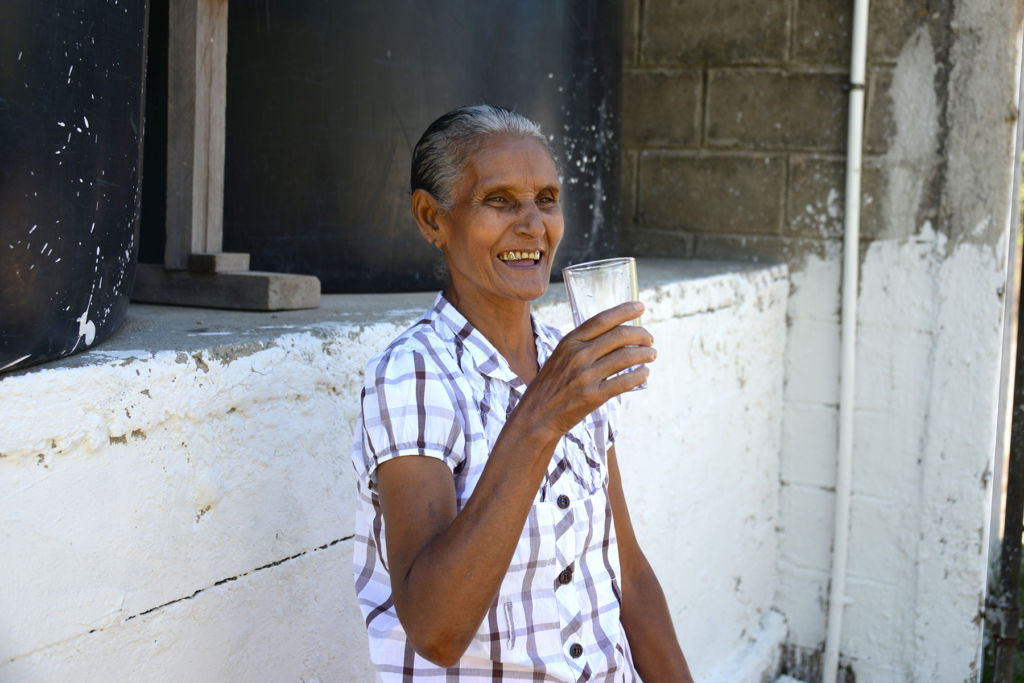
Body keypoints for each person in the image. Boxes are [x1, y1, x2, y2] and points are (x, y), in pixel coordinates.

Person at [351, 104, 693, 681]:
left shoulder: (568, 359)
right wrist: (540, 416)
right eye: (500, 200)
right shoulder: (411, 376)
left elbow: (625, 573)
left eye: (547, 199)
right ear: (432, 218)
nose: (534, 225)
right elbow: (437, 630)